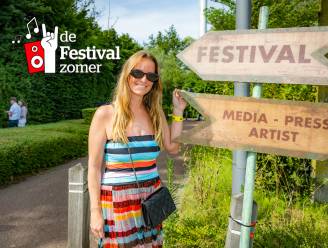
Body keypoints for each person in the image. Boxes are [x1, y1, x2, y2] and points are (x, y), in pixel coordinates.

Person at [88, 50, 187, 248]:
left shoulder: (155, 114)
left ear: (155, 81)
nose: (144, 80)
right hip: (117, 201)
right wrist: (95, 211)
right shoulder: (106, 114)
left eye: (151, 76)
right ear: (127, 74)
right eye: (138, 73)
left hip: (151, 198)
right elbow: (93, 167)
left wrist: (178, 112)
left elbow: (173, 148)